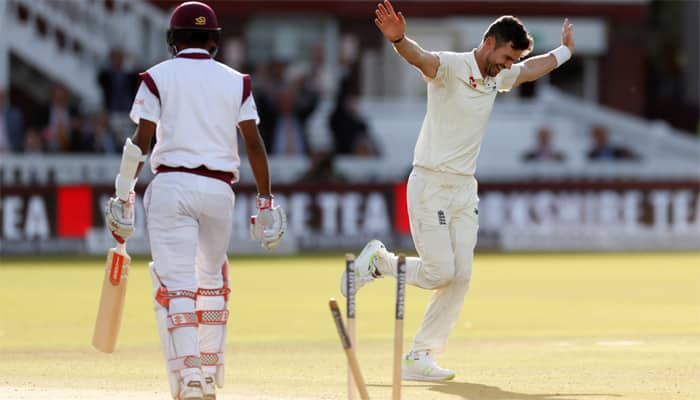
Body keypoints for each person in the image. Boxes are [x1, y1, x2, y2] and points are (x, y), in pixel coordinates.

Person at [342, 0, 575, 382]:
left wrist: (565, 51)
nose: (507, 64)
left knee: (461, 275)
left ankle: (420, 356)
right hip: (431, 183)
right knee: (439, 272)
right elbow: (420, 58)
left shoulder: (499, 76)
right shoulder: (451, 66)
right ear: (488, 42)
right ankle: (379, 262)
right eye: (504, 56)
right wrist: (398, 39)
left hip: (465, 189)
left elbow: (532, 69)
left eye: (512, 60)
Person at [103, 2, 286, 399]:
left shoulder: (156, 77)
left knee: (179, 287)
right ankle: (206, 369)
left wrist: (123, 192)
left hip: (171, 187)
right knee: (212, 283)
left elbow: (142, 141)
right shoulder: (237, 81)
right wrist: (266, 201)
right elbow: (253, 143)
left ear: (173, 39)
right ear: (214, 39)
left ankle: (190, 379)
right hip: (220, 192)